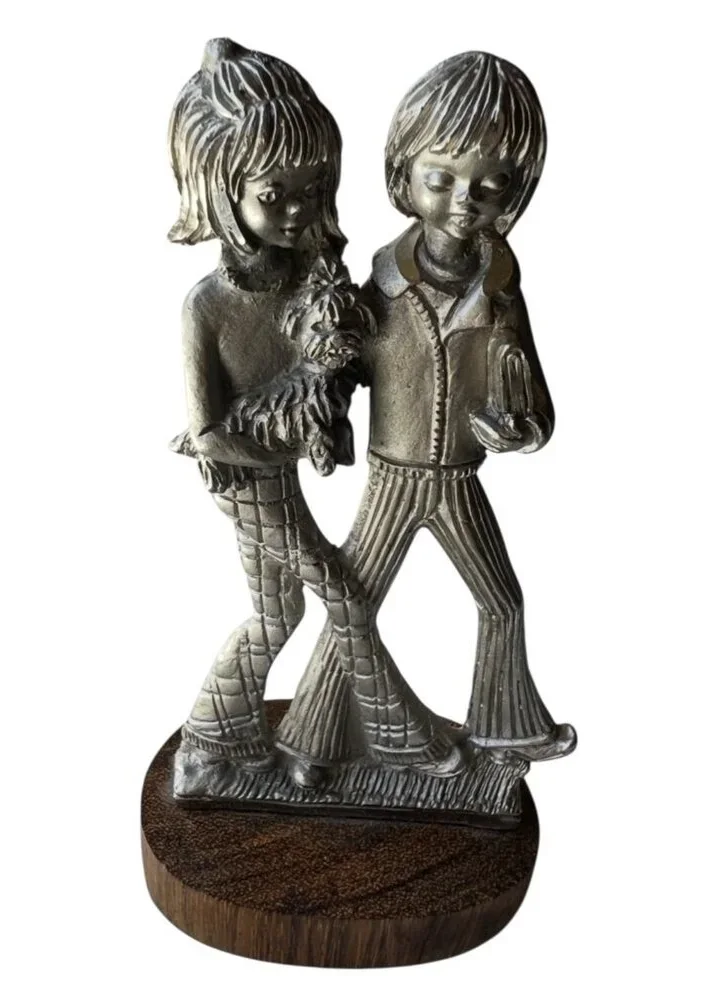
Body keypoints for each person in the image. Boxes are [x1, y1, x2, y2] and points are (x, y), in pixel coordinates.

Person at [168, 39, 458, 786]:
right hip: (249, 483)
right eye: (275, 196)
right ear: (220, 189)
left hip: (278, 477)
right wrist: (288, 438)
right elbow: (209, 432)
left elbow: (345, 357)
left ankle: (218, 739)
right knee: (344, 595)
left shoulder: (312, 280)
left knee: (278, 617)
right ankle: (399, 741)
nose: (298, 211)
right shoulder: (207, 307)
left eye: (312, 188)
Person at [277, 51, 577, 767]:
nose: (464, 200)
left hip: (459, 478)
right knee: (355, 605)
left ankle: (505, 728)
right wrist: (319, 398)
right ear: (402, 176)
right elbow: (340, 366)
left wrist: (523, 428)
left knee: (502, 602)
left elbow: (530, 389)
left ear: (516, 190)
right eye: (441, 179)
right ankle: (309, 741)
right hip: (394, 476)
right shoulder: (380, 286)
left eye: (489, 185)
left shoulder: (501, 290)